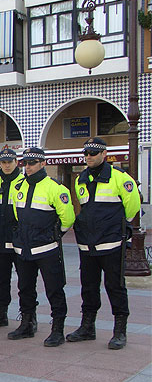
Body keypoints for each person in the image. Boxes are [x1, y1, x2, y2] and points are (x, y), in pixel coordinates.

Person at [67, 137, 141, 350]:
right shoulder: (80, 179)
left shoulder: (119, 178)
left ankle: (120, 331)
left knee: (115, 287)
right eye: (86, 153)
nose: (88, 157)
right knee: (88, 287)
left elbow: (132, 206)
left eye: (93, 153)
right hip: (87, 244)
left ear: (103, 154)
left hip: (111, 243)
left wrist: (114, 227)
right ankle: (87, 327)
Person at [10, 147, 75, 347]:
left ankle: (58, 329)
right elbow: (16, 214)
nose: (27, 167)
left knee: (54, 290)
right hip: (24, 249)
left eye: (32, 163)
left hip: (46, 249)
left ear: (42, 163)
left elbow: (68, 218)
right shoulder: (19, 186)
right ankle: (28, 323)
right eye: (25, 163)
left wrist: (54, 235)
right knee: (25, 288)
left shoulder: (56, 188)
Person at [0, 149, 24, 329]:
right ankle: (1, 314)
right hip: (0, 242)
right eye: (3, 162)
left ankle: (28, 317)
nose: (7, 165)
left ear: (16, 162)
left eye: (10, 161)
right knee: (1, 280)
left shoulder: (24, 182)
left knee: (25, 282)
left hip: (20, 243)